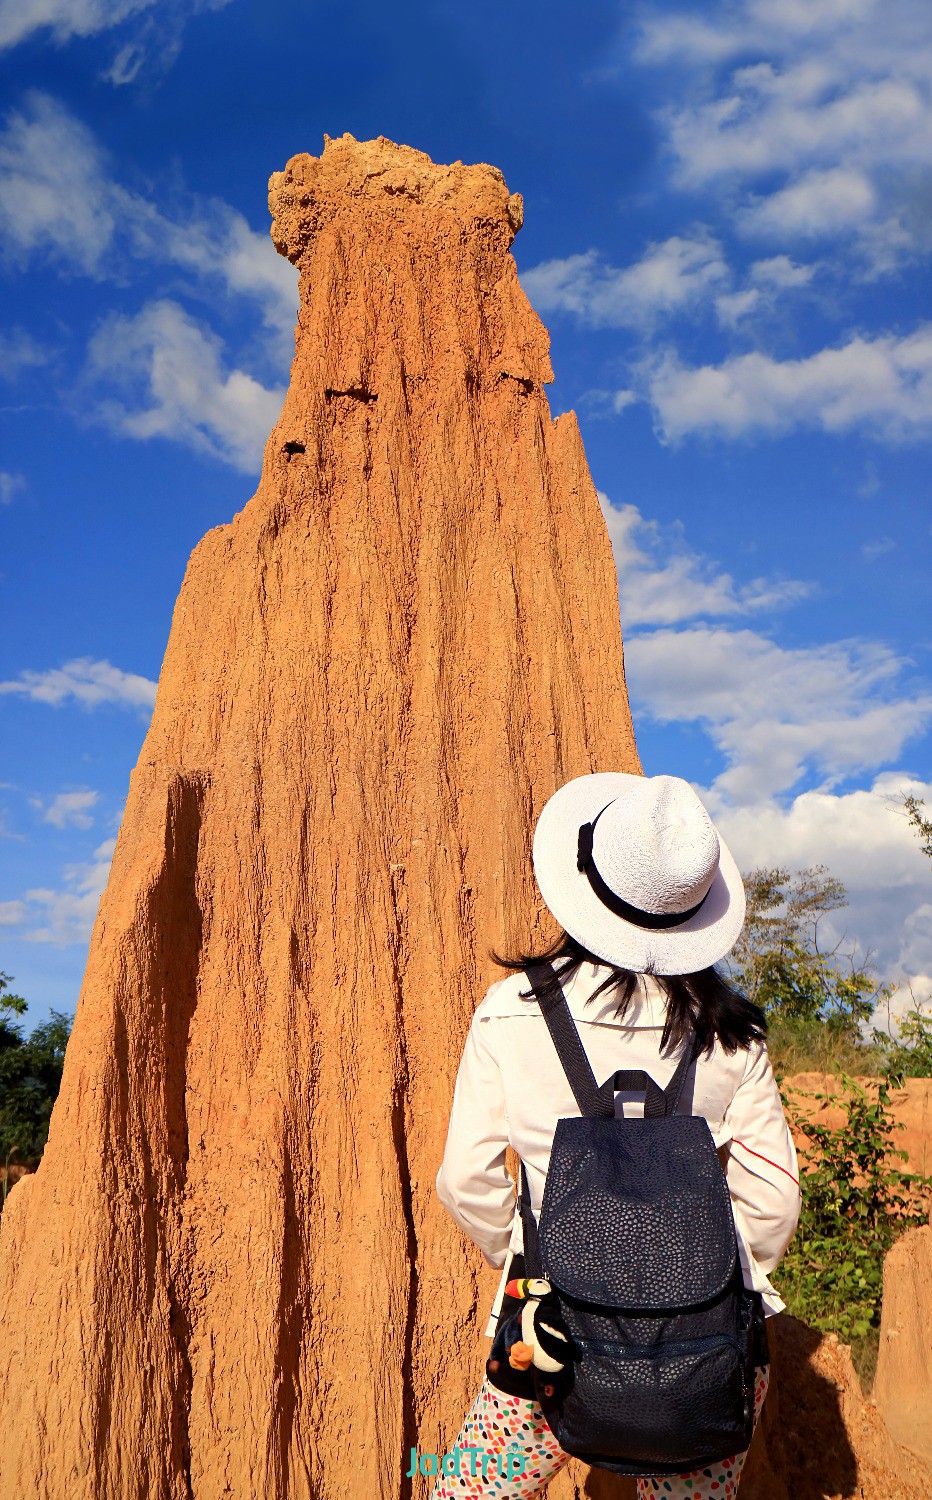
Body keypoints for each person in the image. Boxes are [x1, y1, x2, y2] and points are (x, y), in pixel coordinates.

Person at [432, 771, 801, 1500]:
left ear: (585, 880)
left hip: (549, 1336)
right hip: (708, 1353)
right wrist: (702, 1282)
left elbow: (466, 1180)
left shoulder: (510, 1012)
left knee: (468, 1492)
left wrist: (537, 1269)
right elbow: (773, 1203)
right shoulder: (733, 1034)